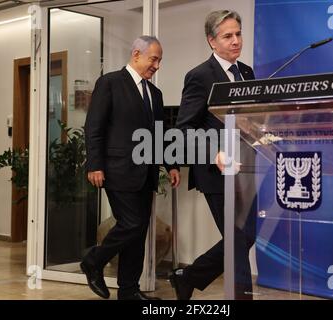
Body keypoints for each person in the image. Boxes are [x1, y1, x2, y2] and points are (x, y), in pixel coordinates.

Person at [82, 35, 180, 300]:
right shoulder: (110, 83)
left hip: (145, 172)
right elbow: (94, 127)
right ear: (136, 54)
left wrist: (170, 164)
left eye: (160, 61)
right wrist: (95, 164)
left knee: (138, 234)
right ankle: (93, 260)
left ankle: (128, 291)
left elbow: (159, 134)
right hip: (116, 170)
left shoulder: (155, 93)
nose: (157, 65)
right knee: (132, 223)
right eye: (153, 59)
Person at [170, 10, 257, 300]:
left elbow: (250, 120)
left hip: (246, 170)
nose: (235, 41)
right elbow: (183, 129)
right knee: (236, 239)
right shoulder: (199, 76)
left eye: (238, 34)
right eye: (227, 36)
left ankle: (189, 276)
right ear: (212, 41)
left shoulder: (247, 73)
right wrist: (213, 153)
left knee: (246, 236)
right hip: (216, 171)